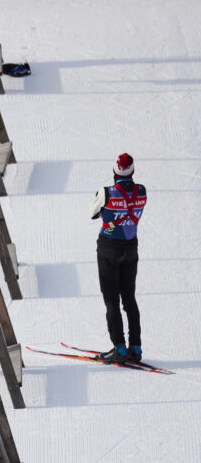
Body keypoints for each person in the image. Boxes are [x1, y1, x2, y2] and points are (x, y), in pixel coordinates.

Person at [90, 153, 146, 362]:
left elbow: (92, 212)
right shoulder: (142, 191)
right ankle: (136, 348)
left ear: (115, 171)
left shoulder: (107, 192)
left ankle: (119, 348)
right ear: (132, 171)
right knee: (129, 298)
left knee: (111, 300)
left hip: (108, 248)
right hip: (131, 247)